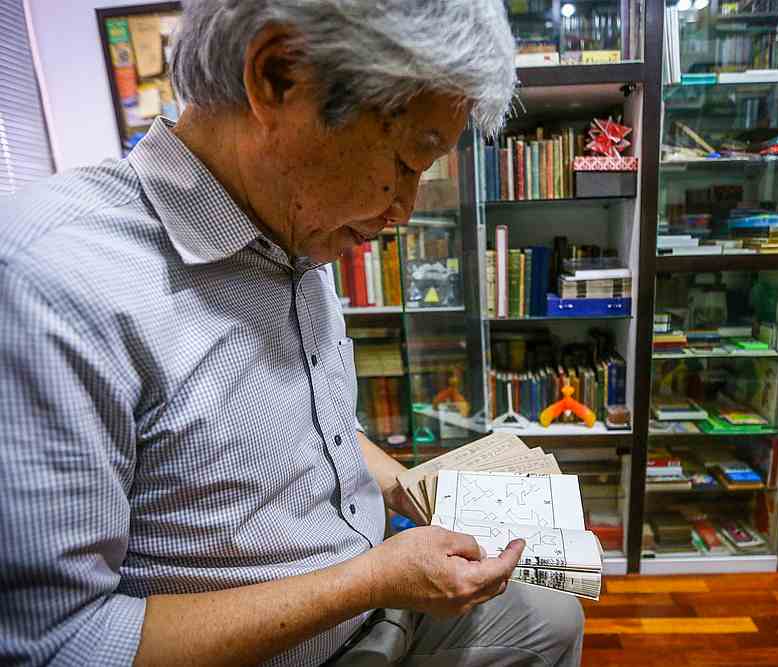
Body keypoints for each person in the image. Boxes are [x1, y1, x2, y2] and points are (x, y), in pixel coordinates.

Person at [0, 1, 584, 665]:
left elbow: (310, 431)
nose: (404, 210)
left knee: (551, 613)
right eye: (407, 160)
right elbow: (62, 645)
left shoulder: (292, 220)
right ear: (281, 76)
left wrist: (407, 487)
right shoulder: (46, 284)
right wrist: (374, 579)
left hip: (372, 602)